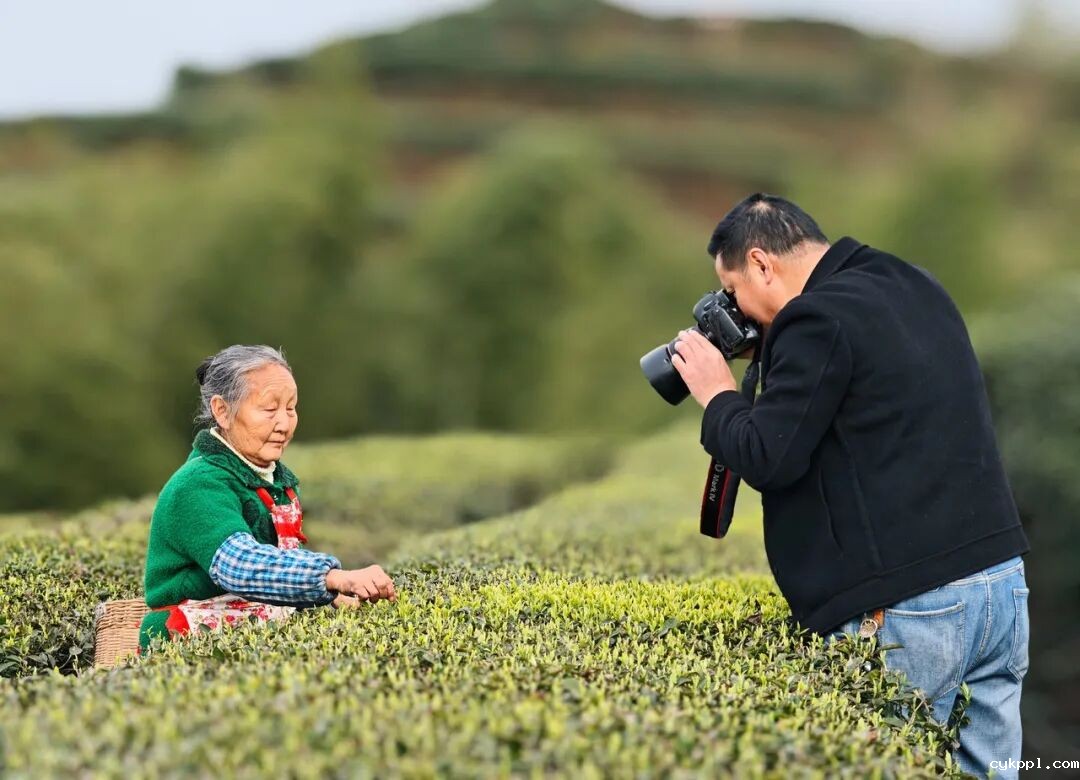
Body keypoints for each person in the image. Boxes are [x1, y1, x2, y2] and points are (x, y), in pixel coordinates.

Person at [671, 193, 1030, 779]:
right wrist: (769, 353)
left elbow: (768, 457)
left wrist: (717, 394)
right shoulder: (910, 283)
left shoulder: (813, 320)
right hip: (999, 586)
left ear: (761, 263)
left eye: (733, 291)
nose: (735, 310)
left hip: (913, 609)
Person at [139, 345, 396, 651]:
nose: (284, 424)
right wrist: (331, 577)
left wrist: (329, 597)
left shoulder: (272, 478)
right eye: (269, 409)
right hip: (187, 642)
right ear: (222, 411)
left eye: (291, 408)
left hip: (252, 632)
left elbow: (279, 563)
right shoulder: (198, 485)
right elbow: (240, 565)